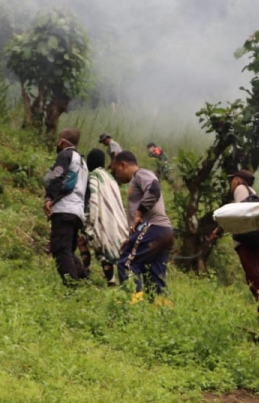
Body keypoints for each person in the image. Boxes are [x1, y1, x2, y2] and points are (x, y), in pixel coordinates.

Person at [219, 170, 259, 321]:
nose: (231, 184)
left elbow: (240, 215)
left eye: (232, 180)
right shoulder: (253, 194)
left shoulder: (241, 190)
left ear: (238, 180)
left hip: (250, 246)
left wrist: (219, 229)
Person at [112, 151, 174, 303]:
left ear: (123, 164)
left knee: (127, 263)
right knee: (155, 275)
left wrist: (139, 213)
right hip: (164, 231)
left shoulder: (141, 174)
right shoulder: (137, 180)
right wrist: (131, 238)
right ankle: (161, 312)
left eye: (116, 171)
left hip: (153, 226)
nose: (116, 175)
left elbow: (154, 189)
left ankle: (134, 305)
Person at [44, 128, 89, 282]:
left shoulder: (65, 155)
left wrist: (49, 197)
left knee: (60, 249)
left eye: (58, 139)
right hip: (77, 211)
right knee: (68, 250)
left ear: (62, 141)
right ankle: (83, 278)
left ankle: (72, 286)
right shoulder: (83, 162)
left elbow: (57, 176)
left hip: (64, 208)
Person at [82, 148, 129, 283]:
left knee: (96, 246)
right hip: (113, 219)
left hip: (101, 218)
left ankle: (91, 274)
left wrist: (90, 218)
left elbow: (94, 199)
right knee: (104, 247)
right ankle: (111, 280)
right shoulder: (110, 178)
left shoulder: (94, 177)